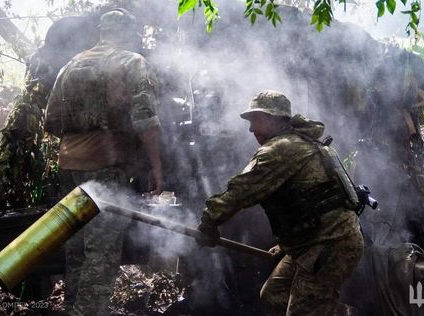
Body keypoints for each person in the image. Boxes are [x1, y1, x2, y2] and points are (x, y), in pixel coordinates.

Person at [196, 90, 364, 315]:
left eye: (256, 120)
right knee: (274, 296)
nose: (251, 129)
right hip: (312, 241)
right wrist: (287, 246)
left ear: (275, 118)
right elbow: (309, 203)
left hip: (330, 243)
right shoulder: (298, 142)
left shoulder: (279, 149)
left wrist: (208, 223)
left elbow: (239, 193)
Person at [44, 9, 163, 315]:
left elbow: (51, 121)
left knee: (77, 247)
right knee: (102, 250)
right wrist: (156, 166)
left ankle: (74, 308)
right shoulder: (131, 62)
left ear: (101, 32)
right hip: (107, 166)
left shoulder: (70, 66)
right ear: (127, 32)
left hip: (69, 165)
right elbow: (146, 120)